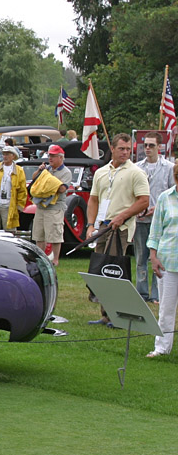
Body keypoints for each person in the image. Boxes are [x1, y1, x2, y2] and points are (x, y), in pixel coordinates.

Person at [85, 133, 150, 327]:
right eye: (121, 148)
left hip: (121, 228)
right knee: (100, 271)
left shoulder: (136, 172)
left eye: (128, 149)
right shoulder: (101, 172)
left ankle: (118, 315)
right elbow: (94, 199)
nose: (125, 152)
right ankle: (105, 314)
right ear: (112, 149)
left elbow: (144, 200)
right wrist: (90, 225)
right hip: (102, 226)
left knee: (113, 271)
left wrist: (123, 216)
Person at [134, 133, 174, 303]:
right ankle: (142, 294)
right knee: (140, 258)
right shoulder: (136, 167)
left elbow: (173, 193)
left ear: (160, 147)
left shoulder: (169, 167)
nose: (148, 149)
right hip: (140, 219)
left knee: (157, 258)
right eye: (145, 145)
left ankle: (157, 294)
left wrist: (157, 208)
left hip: (161, 221)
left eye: (151, 145)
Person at [146, 164, 178, 358]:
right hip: (168, 260)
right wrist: (153, 255)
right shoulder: (165, 197)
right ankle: (162, 347)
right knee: (166, 308)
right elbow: (156, 230)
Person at [29, 144, 73, 265]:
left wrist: (47, 183)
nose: (50, 159)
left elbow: (62, 189)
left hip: (55, 207)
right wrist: (39, 170)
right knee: (39, 234)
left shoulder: (66, 172)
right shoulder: (46, 169)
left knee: (55, 235)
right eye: (49, 156)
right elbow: (34, 180)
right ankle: (40, 258)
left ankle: (55, 260)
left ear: (60, 157)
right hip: (41, 206)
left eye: (53, 156)